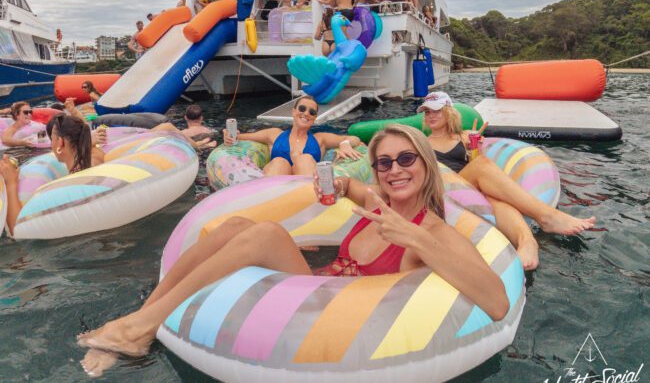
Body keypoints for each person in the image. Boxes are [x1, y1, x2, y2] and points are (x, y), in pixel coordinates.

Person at [77, 124, 508, 376]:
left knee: (263, 234)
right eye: (384, 162)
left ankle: (137, 329)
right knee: (235, 224)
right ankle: (140, 323)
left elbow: (497, 301)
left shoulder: (432, 230)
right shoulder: (379, 202)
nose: (394, 170)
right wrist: (338, 184)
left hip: (338, 315)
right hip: (314, 285)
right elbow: (353, 187)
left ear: (426, 164)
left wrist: (415, 239)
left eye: (406, 160)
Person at [420, 92, 597, 270]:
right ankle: (547, 216)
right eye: (427, 112)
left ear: (448, 112)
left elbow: (476, 162)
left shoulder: (464, 137)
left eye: (436, 111)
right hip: (446, 189)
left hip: (470, 189)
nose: (430, 116)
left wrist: (474, 147)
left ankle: (528, 243)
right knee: (482, 165)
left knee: (496, 198)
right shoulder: (422, 143)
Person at [0, 114, 106, 236]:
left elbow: (18, 231)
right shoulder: (97, 158)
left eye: (52, 140)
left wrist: (11, 183)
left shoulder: (66, 187)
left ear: (60, 143)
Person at [222, 96, 362, 176]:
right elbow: (240, 137)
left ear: (314, 118)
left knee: (305, 159)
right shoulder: (274, 134)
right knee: (279, 162)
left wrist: (344, 144)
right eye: (302, 109)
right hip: (277, 185)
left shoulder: (320, 139)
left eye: (311, 112)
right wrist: (230, 136)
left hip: (304, 189)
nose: (306, 113)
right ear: (294, 111)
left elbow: (355, 139)